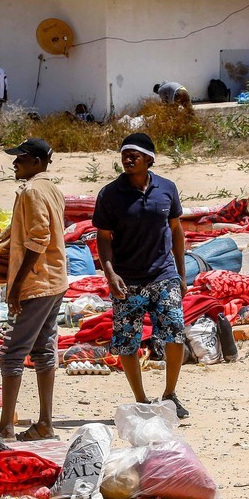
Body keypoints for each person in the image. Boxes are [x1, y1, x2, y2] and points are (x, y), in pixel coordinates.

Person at [93, 132, 190, 419]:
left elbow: (176, 231)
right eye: (124, 154)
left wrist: (181, 274)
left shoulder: (167, 189)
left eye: (134, 154)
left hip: (164, 274)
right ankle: (141, 399)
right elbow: (103, 236)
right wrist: (109, 273)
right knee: (127, 340)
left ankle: (170, 394)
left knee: (175, 333)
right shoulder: (110, 194)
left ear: (149, 159)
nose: (128, 158)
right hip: (127, 279)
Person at [0, 138, 68, 441]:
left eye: (20, 158)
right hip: (56, 278)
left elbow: (39, 239)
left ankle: (5, 426)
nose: (14, 164)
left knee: (11, 353)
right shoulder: (51, 188)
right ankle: (45, 423)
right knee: (44, 349)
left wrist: (17, 285)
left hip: (38, 281)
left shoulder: (33, 190)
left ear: (36, 162)